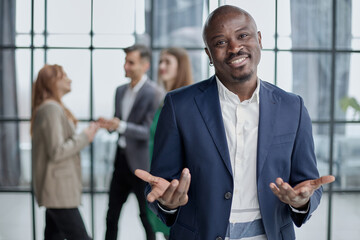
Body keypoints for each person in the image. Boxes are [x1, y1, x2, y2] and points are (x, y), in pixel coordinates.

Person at [135, 5, 335, 240]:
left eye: (243, 36)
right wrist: (168, 204)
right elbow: (161, 183)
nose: (234, 47)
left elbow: (307, 183)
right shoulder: (179, 106)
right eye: (220, 42)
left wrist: (302, 201)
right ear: (209, 54)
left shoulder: (293, 107)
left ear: (258, 39)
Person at [98, 44, 160, 240]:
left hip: (142, 166)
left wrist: (121, 126)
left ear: (145, 65)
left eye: (130, 62)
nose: (125, 66)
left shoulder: (154, 93)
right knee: (111, 214)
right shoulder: (120, 91)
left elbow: (148, 132)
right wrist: (110, 125)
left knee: (145, 216)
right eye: (125, 62)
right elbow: (118, 121)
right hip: (121, 160)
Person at [31, 64, 99, 240]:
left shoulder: (52, 107)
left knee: (53, 235)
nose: (69, 79)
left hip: (57, 188)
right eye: (64, 76)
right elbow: (57, 151)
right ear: (51, 82)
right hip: (58, 190)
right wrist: (85, 136)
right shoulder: (51, 109)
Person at [147, 47, 194, 239]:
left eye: (167, 62)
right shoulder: (165, 100)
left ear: (180, 67)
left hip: (177, 186)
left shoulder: (186, 103)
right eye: (160, 62)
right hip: (161, 181)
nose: (161, 66)